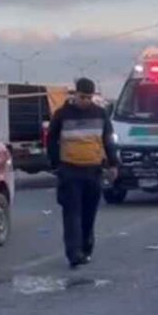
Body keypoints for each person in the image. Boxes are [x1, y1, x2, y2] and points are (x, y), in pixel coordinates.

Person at [46, 78, 118, 269]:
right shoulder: (62, 115)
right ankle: (73, 253)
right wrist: (55, 164)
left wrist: (113, 164)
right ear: (74, 94)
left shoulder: (100, 114)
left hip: (93, 171)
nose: (85, 100)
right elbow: (51, 140)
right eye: (82, 96)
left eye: (88, 97)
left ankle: (86, 248)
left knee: (88, 214)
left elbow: (108, 141)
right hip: (70, 171)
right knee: (72, 214)